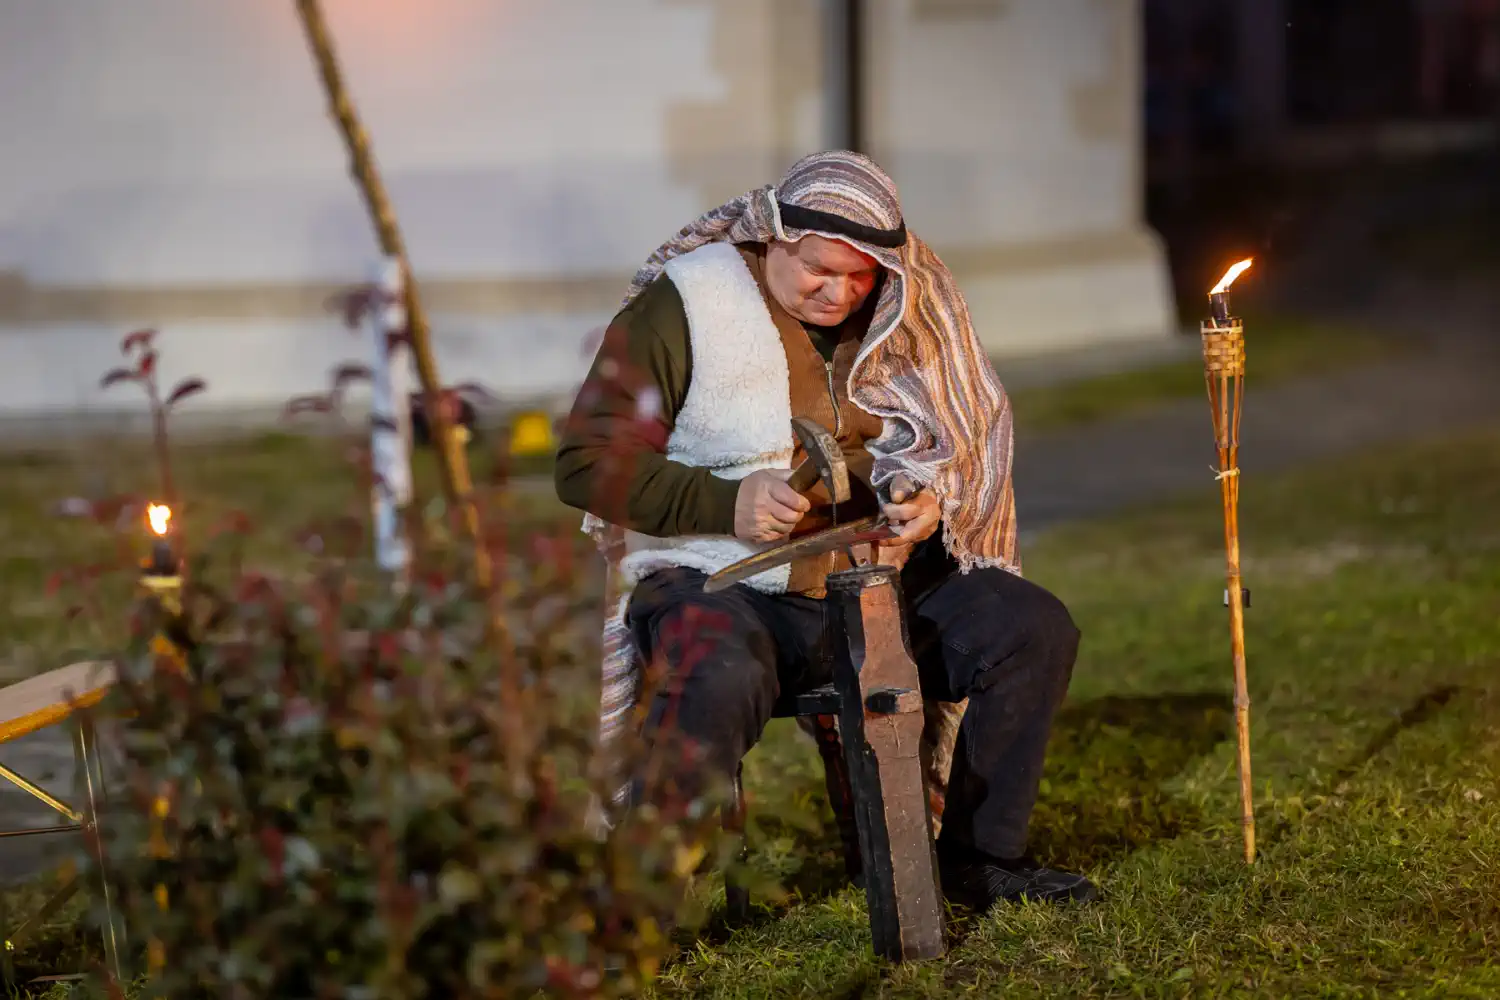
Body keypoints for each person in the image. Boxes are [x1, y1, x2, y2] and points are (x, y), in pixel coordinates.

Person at [555, 150, 1097, 910]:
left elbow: (948, 433)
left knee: (1028, 629)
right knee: (719, 670)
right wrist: (725, 501)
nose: (839, 293)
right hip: (720, 580)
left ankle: (980, 859)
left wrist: (927, 497)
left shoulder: (908, 305)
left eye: (859, 277)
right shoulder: (688, 302)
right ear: (775, 235)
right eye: (818, 270)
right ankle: (637, 900)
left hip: (873, 581)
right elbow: (586, 464)